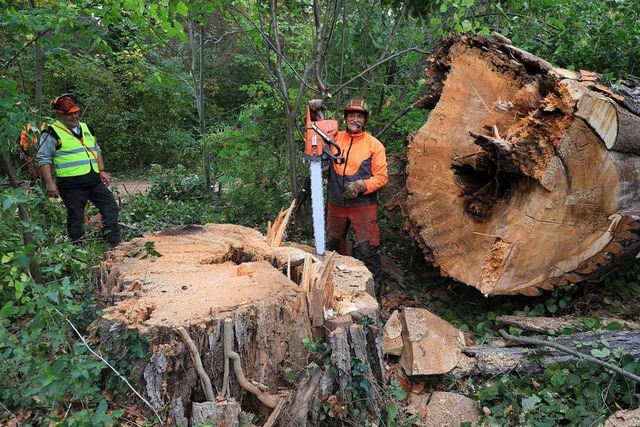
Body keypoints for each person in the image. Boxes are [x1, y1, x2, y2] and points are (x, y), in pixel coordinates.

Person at [36, 93, 121, 246]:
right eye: (69, 114)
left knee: (110, 207)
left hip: (93, 180)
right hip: (71, 185)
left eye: (76, 112)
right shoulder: (51, 133)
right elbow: (44, 159)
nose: (74, 116)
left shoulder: (86, 127)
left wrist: (102, 170)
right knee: (76, 216)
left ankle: (114, 243)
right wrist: (50, 183)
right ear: (59, 114)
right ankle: (79, 249)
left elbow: (96, 149)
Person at [325, 97, 388, 298]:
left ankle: (374, 294)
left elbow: (382, 177)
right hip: (336, 204)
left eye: (359, 116)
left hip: (363, 206)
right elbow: (315, 142)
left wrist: (362, 185)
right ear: (345, 118)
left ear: (365, 121)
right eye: (351, 115)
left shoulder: (374, 145)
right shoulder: (335, 138)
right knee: (334, 246)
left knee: (367, 250)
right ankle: (337, 289)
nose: (355, 120)